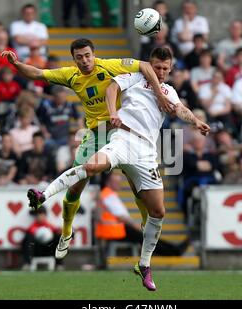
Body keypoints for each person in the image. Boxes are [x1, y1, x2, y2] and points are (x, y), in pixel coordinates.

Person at [26, 47, 210, 290]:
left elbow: (180, 109)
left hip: (146, 151)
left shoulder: (170, 91)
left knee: (159, 212)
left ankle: (144, 264)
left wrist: (195, 121)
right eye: (157, 67)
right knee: (91, 167)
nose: (161, 71)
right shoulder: (134, 76)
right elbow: (112, 88)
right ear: (150, 65)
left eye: (166, 68)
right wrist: (113, 113)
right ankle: (43, 195)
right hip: (123, 138)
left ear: (171, 68)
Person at [2, 38, 173, 265]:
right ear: (74, 59)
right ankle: (66, 232)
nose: (84, 61)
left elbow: (145, 65)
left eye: (87, 55)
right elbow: (37, 74)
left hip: (121, 132)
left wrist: (160, 97)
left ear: (94, 54)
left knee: (137, 186)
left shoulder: (111, 65)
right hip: (94, 135)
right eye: (79, 57)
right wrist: (16, 65)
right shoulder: (70, 75)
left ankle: (145, 228)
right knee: (75, 188)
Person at [96, 171, 189, 268]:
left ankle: (172, 250)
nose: (120, 182)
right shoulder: (109, 195)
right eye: (116, 178)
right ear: (109, 181)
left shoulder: (106, 194)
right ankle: (173, 251)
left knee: (146, 236)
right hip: (115, 230)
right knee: (147, 236)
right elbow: (122, 217)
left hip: (114, 229)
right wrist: (136, 227)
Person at [21, 206, 62, 271]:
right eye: (37, 214)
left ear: (44, 215)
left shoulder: (51, 227)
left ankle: (59, 264)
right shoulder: (31, 229)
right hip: (36, 251)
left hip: (49, 250)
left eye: (40, 214)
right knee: (27, 239)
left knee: (60, 239)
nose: (39, 216)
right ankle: (27, 263)